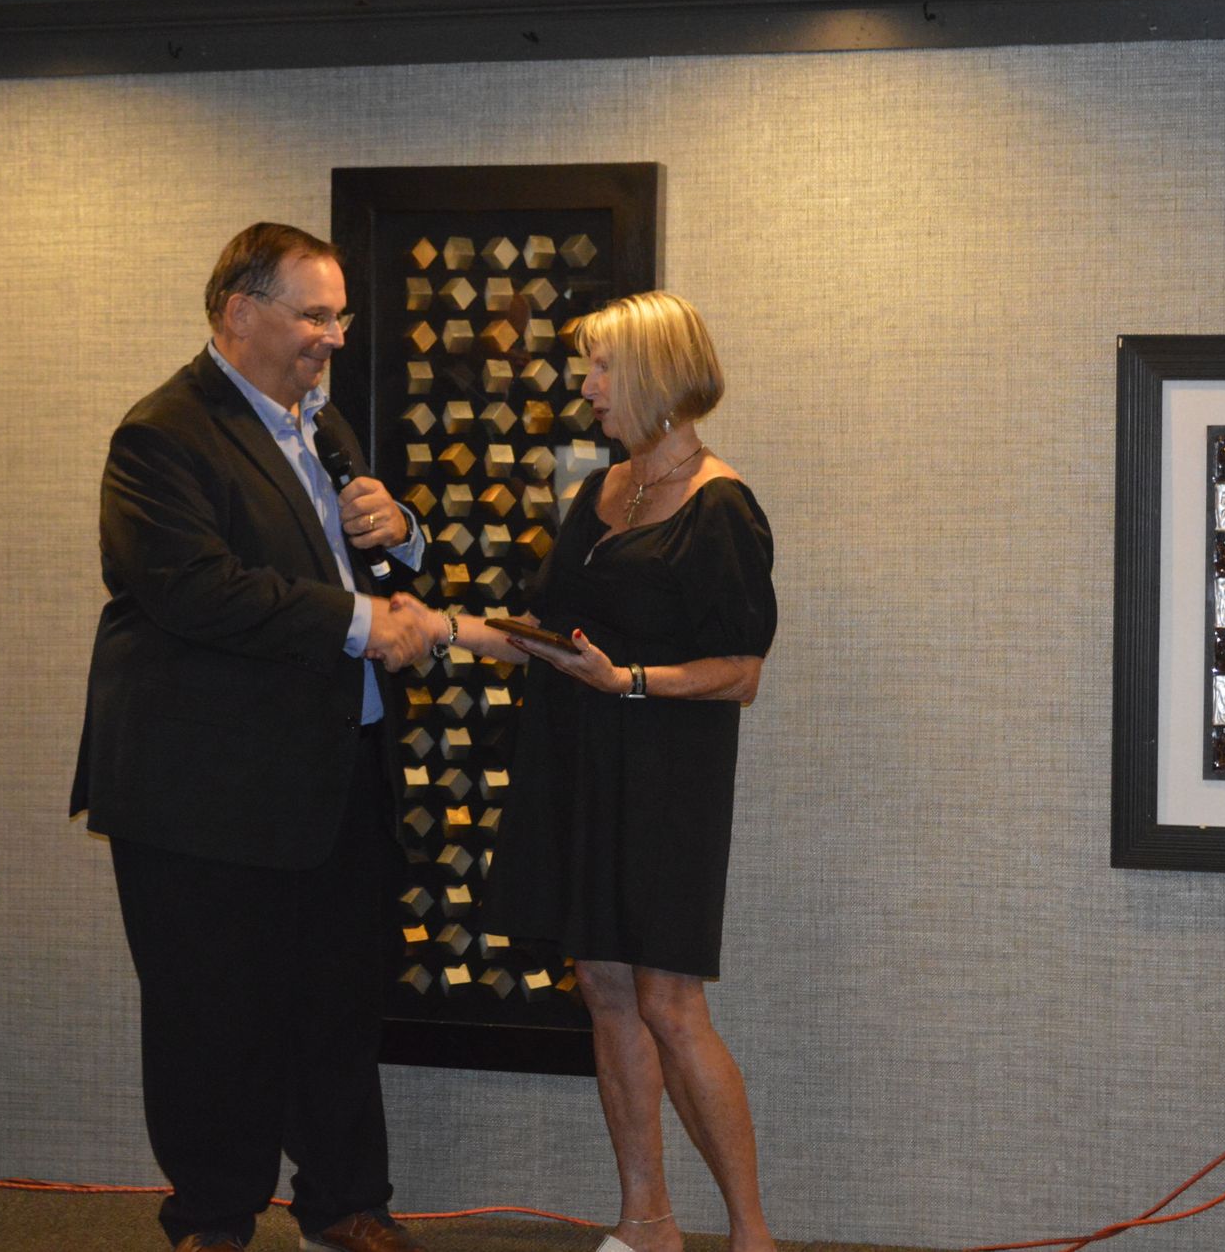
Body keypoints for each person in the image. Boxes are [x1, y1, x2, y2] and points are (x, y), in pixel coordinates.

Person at [71, 222, 435, 1252]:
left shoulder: (323, 425)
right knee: (211, 1016)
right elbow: (193, 589)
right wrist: (367, 622)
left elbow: (368, 570)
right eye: (315, 314)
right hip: (204, 792)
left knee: (336, 1006)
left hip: (331, 775)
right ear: (241, 312)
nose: (333, 336)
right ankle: (213, 1218)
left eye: (339, 315)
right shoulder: (162, 434)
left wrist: (399, 530)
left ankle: (346, 1200)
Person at [395, 290, 778, 1252]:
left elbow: (741, 671)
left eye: (602, 367)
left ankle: (752, 1235)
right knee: (604, 986)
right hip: (576, 762)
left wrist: (631, 679)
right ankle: (647, 1219)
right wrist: (437, 627)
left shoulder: (722, 505)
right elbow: (544, 637)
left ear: (651, 373)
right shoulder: (599, 493)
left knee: (670, 1002)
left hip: (664, 777)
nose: (588, 386)